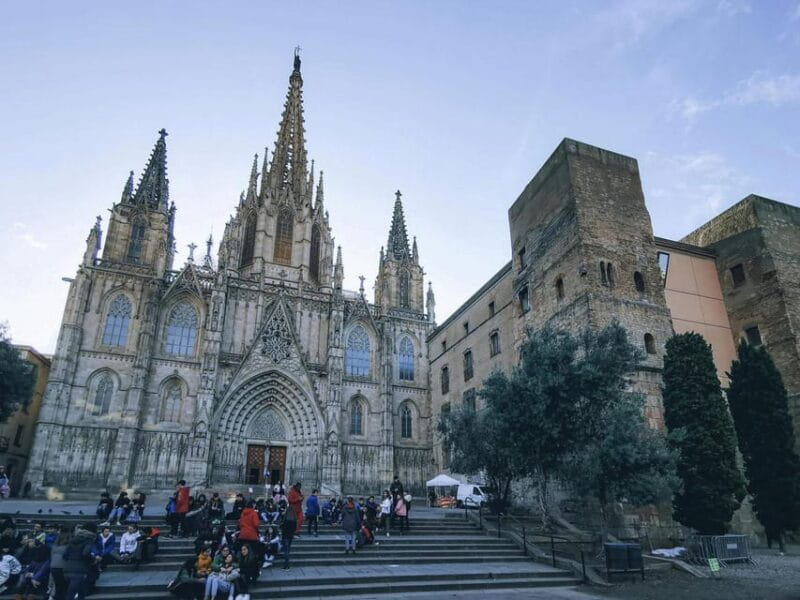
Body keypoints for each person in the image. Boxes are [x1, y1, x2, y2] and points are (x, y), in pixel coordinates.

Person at [62, 523, 98, 600]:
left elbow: (65, 555)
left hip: (67, 570)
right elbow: (85, 553)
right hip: (80, 570)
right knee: (75, 594)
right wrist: (93, 560)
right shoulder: (89, 540)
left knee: (76, 592)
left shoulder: (73, 539)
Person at [49, 526, 70, 600]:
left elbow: (51, 556)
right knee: (64, 586)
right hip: (63, 567)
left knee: (58, 586)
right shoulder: (68, 546)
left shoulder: (54, 546)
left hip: (53, 567)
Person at [279, 503, 296, 570]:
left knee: (286, 551)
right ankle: (286, 565)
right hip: (290, 536)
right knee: (287, 550)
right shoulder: (294, 519)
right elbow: (295, 529)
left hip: (285, 536)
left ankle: (286, 565)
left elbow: (282, 527)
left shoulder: (285, 519)